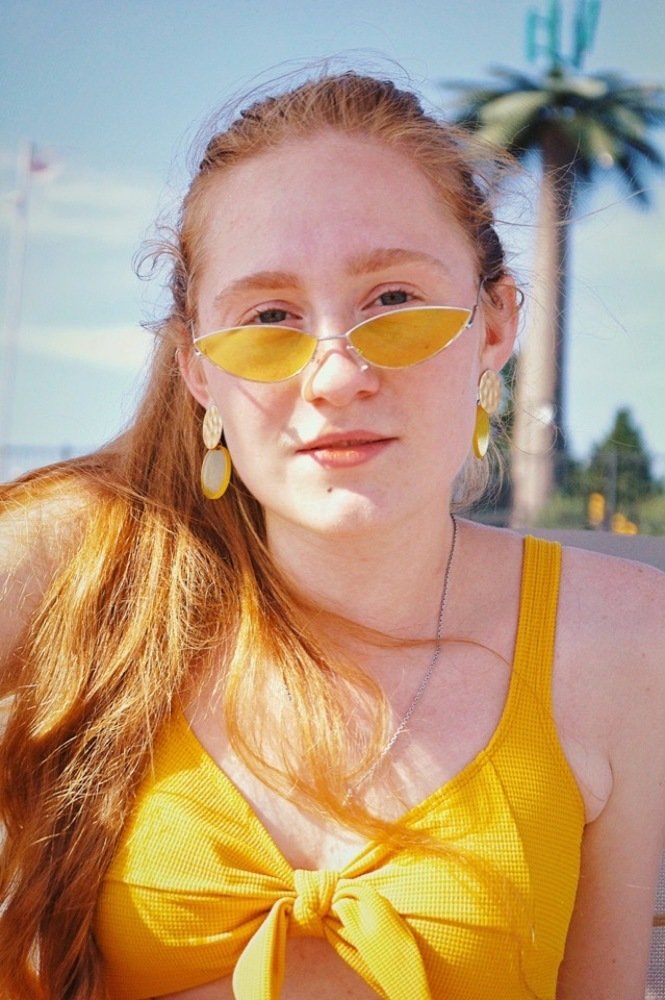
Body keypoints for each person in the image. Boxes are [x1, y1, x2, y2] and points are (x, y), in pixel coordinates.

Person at [0, 70, 663, 1000]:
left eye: (392, 300)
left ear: (494, 323)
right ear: (196, 368)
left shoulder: (623, 636)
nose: (336, 375)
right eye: (269, 317)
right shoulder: (88, 569)